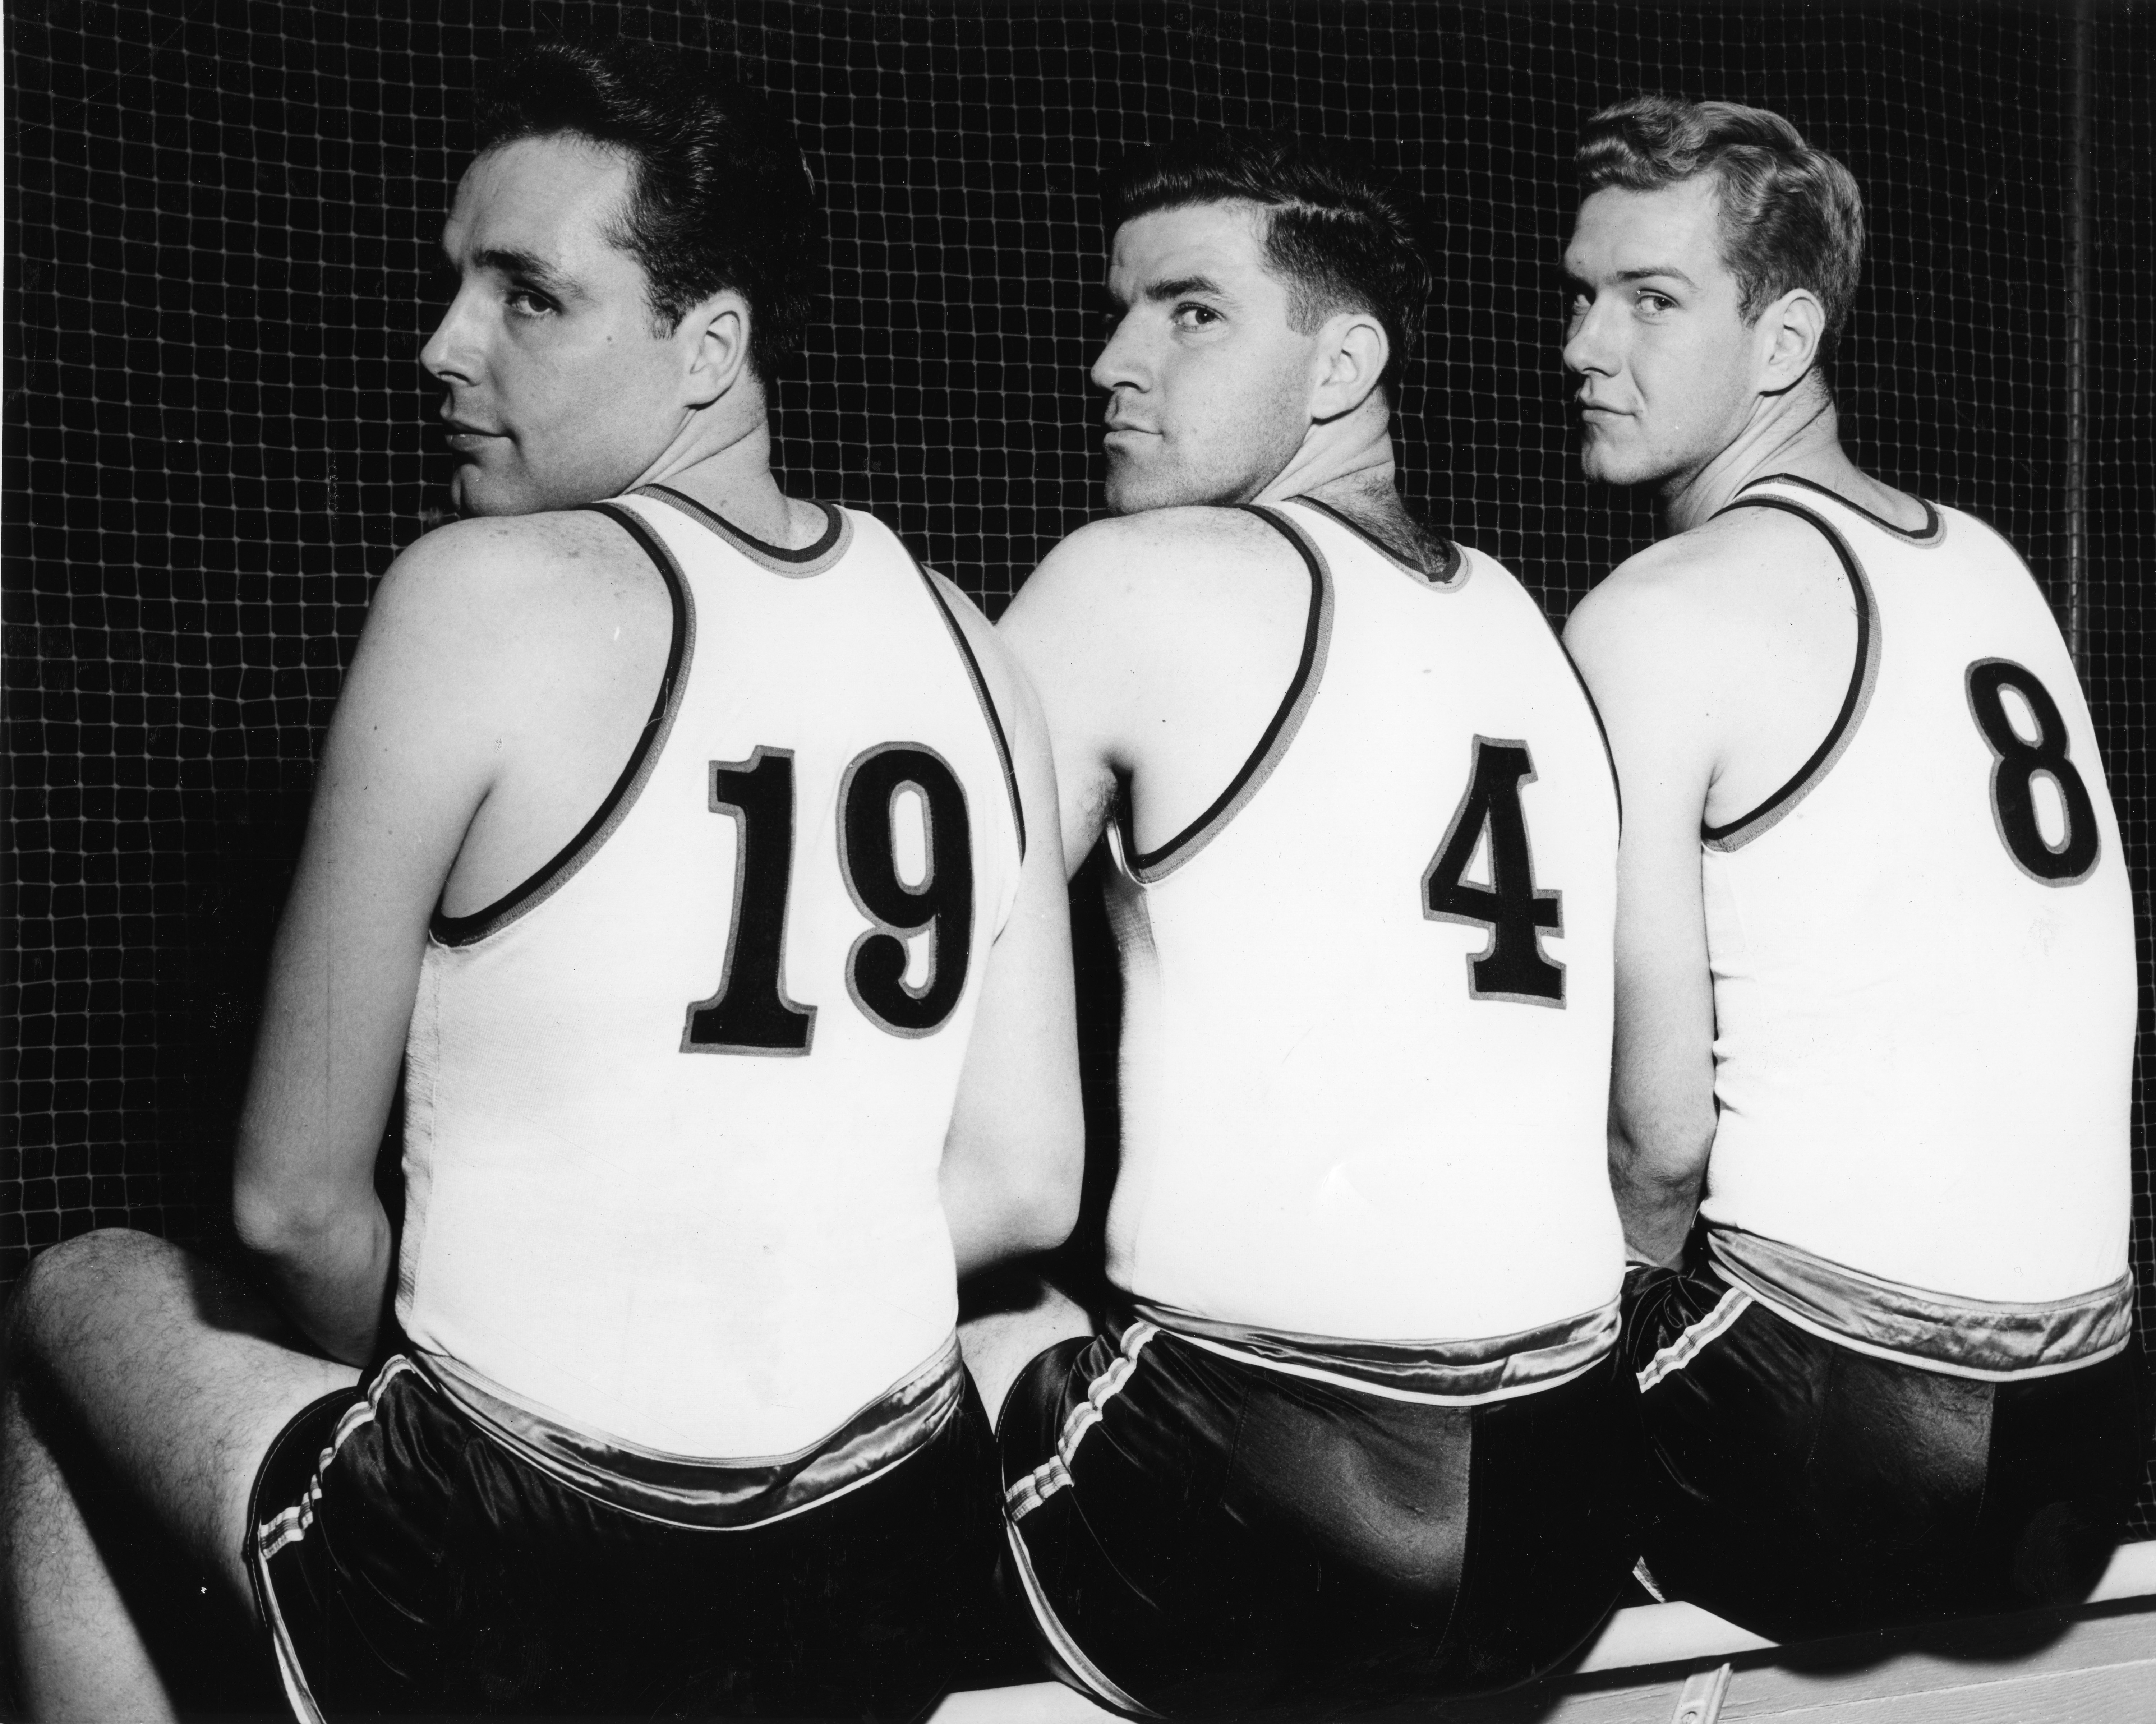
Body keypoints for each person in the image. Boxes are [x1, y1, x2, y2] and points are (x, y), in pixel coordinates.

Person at [0, 38, 1082, 1721]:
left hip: (529, 1584)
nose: (444, 346)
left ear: (708, 346)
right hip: (885, 1566)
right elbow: (1023, 1184)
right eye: (457, 284)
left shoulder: (484, 593)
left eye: (530, 297)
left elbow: (292, 1204)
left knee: (68, 1296)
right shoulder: (977, 648)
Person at [983, 130, 1639, 1720]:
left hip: (1262, 1509)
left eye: (1190, 313)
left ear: (1344, 365)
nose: (1113, 362)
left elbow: (911, 1025)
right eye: (1120, 311)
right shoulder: (1523, 619)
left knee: (976, 1305)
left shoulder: (1134, 577)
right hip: (1564, 1507)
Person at [1560, 96, 2144, 1642]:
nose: (1583, 346)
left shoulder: (1657, 612)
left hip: (1835, 1427)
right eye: (1583, 292)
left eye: (1651, 300)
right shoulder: (1987, 559)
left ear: (1786, 339)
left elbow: (1656, 1143)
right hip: (2086, 1435)